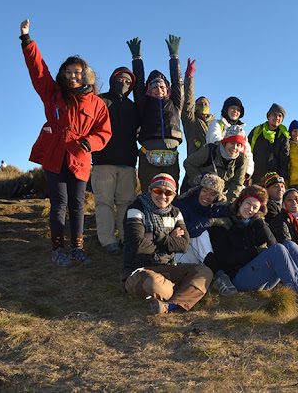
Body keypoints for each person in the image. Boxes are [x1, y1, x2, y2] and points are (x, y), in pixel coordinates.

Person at [20, 19, 112, 266]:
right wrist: (27, 41)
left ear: (86, 76)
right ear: (63, 75)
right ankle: (58, 249)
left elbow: (104, 132)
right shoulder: (52, 93)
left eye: (78, 72)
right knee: (59, 203)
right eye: (69, 72)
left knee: (78, 205)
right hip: (54, 155)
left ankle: (78, 249)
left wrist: (89, 143)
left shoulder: (97, 103)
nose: (73, 76)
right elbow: (38, 70)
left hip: (80, 159)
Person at [206, 185, 298, 317]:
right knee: (278, 250)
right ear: (240, 202)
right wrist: (255, 252)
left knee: (290, 245)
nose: (251, 209)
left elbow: (272, 242)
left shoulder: (254, 224)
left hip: (263, 279)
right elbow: (224, 259)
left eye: (255, 207)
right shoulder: (225, 225)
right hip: (239, 278)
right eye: (248, 203)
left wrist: (259, 222)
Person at [123, 173, 214, 314]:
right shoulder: (135, 210)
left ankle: (168, 306)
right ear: (150, 190)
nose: (163, 196)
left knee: (204, 272)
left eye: (168, 192)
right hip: (140, 270)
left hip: (166, 268)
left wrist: (155, 235)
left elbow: (183, 245)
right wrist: (169, 238)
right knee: (155, 285)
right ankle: (187, 291)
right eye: (158, 191)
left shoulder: (176, 212)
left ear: (174, 195)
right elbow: (138, 246)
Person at [92, 66, 139, 255]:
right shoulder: (99, 100)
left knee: (126, 202)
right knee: (103, 202)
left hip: (127, 163)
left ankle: (125, 238)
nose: (124, 84)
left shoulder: (133, 107)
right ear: (113, 80)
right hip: (103, 161)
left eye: (128, 82)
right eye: (120, 80)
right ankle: (107, 240)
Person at [127, 35, 183, 192]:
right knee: (148, 193)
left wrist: (174, 57)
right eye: (154, 87)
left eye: (162, 87)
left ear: (167, 89)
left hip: (172, 155)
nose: (159, 89)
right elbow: (138, 83)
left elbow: (178, 83)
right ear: (148, 89)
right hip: (148, 155)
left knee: (171, 193)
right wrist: (137, 58)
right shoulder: (144, 104)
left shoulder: (175, 104)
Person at [172, 173, 237, 295]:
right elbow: (189, 232)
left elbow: (236, 212)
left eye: (213, 194)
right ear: (197, 190)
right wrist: (211, 221)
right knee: (200, 234)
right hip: (179, 255)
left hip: (201, 258)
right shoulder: (181, 205)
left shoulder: (215, 208)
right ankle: (220, 277)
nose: (207, 197)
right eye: (205, 191)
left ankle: (214, 277)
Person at [183, 125, 248, 200]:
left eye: (238, 145)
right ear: (225, 143)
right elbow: (189, 163)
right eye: (232, 143)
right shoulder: (210, 150)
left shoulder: (241, 160)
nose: (234, 147)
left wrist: (226, 203)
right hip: (196, 191)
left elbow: (237, 184)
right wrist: (199, 180)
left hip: (218, 196)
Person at [206, 96, 254, 179]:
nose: (235, 111)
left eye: (238, 109)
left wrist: (246, 173)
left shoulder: (242, 132)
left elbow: (248, 153)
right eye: (232, 108)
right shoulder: (217, 123)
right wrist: (237, 148)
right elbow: (214, 140)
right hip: (215, 169)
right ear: (226, 109)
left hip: (235, 172)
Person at [248, 104, 290, 186]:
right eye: (274, 115)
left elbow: (284, 158)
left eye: (280, 116)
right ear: (268, 116)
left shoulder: (284, 136)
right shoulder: (257, 131)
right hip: (256, 176)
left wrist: (283, 179)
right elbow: (248, 151)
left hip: (274, 178)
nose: (277, 118)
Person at [181, 58, 213, 156]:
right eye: (200, 104)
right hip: (195, 165)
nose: (203, 106)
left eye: (205, 104)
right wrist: (189, 78)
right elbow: (188, 101)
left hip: (213, 166)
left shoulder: (215, 124)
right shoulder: (191, 120)